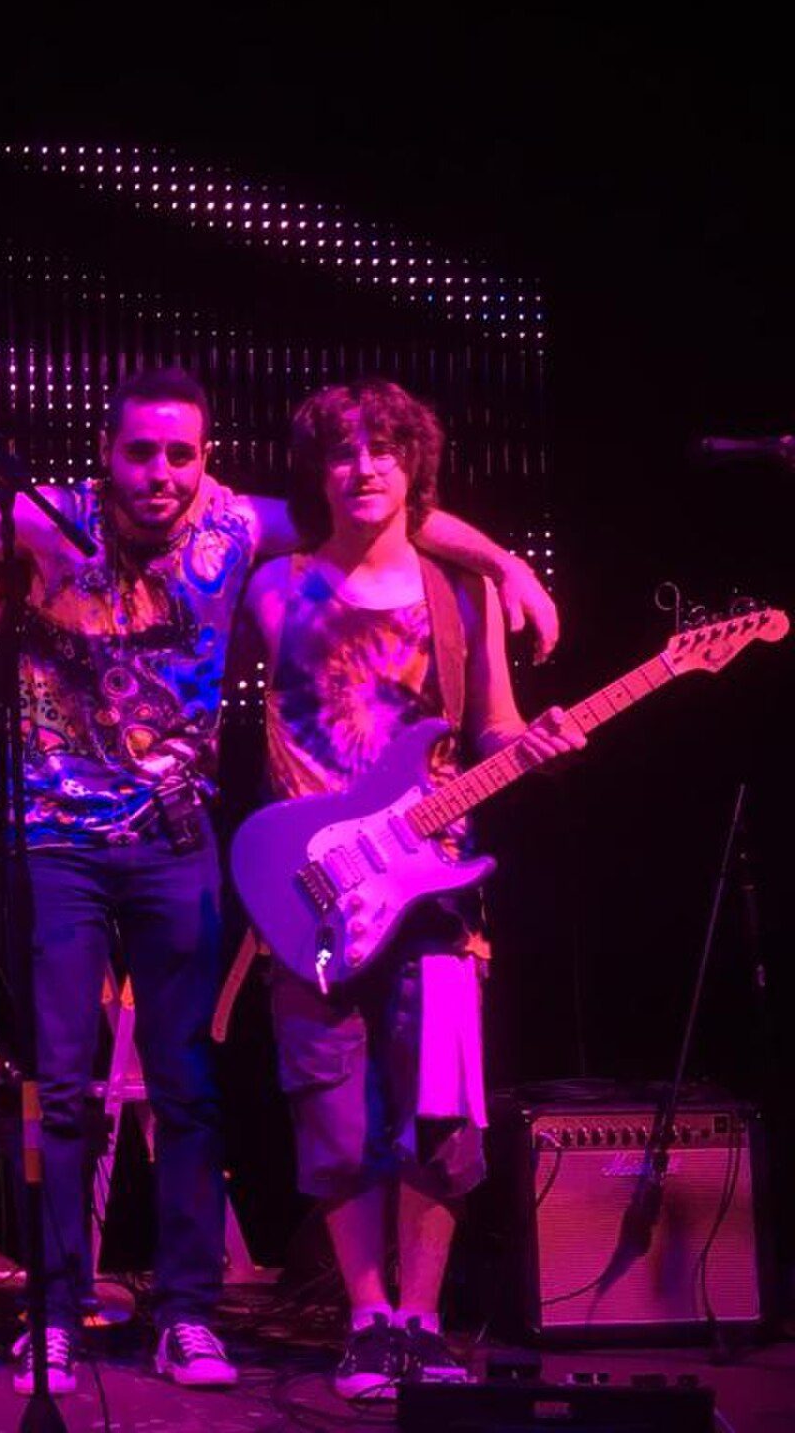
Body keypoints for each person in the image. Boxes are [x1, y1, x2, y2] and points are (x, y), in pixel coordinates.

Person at [0, 366, 561, 1394]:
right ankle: (56, 1310)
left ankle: (191, 1313)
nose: (159, 473)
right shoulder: (47, 521)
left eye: (180, 454)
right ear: (106, 456)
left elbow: (386, 507)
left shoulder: (237, 530)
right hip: (59, 846)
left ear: (204, 462)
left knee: (191, 1086)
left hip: (178, 844)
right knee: (63, 1086)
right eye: (139, 452)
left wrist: (506, 561)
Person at [238, 378, 583, 1398]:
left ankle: (423, 1323)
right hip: (306, 892)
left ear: (414, 467)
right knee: (332, 1111)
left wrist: (541, 745)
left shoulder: (457, 593)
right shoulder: (271, 586)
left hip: (434, 890)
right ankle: (369, 1319)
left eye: (386, 449)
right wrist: (509, 552)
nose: (365, 467)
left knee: (438, 1107)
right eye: (344, 451)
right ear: (318, 472)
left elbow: (494, 728)